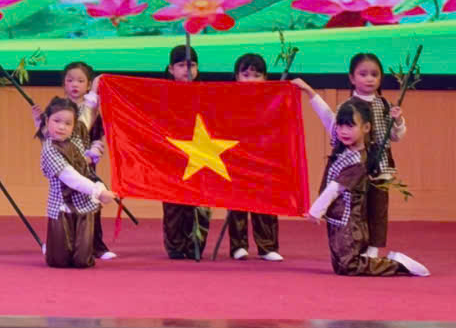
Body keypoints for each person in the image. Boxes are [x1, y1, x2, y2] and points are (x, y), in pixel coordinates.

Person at [292, 83, 428, 277]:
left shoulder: (358, 161)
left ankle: (397, 264)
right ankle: (378, 262)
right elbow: (326, 116)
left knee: (349, 265)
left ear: (366, 128)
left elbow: (335, 188)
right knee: (341, 266)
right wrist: (309, 91)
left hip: (349, 221)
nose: (343, 131)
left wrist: (315, 211)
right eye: (340, 126)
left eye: (350, 126)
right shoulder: (343, 148)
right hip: (336, 218)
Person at [35, 61, 116, 260]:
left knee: (89, 210)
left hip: (85, 170)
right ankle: (56, 245)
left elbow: (89, 119)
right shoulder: (53, 138)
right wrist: (39, 121)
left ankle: (95, 246)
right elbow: (69, 175)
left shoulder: (80, 124)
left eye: (80, 81)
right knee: (63, 223)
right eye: (70, 80)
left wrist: (93, 152)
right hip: (66, 181)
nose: (62, 126)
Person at [347, 52, 406, 257]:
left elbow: (396, 136)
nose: (369, 79)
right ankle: (357, 244)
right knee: (357, 207)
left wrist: (397, 121)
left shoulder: (385, 105)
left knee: (378, 208)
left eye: (374, 74)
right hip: (356, 165)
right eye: (363, 74)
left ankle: (373, 248)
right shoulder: (347, 106)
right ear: (352, 78)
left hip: (381, 165)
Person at [224, 53, 282, 261]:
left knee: (264, 200)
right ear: (236, 76)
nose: (251, 80)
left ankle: (267, 246)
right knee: (237, 202)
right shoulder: (228, 99)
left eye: (257, 75)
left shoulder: (272, 100)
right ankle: (238, 245)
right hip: (236, 157)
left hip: (262, 157)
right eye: (246, 75)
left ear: (265, 78)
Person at [163, 44, 210, 259]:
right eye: (181, 65)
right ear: (171, 69)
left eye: (191, 65)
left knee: (199, 201)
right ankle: (175, 246)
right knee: (173, 203)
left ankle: (195, 245)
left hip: (201, 153)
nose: (187, 70)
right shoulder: (160, 92)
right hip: (171, 154)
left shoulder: (208, 92)